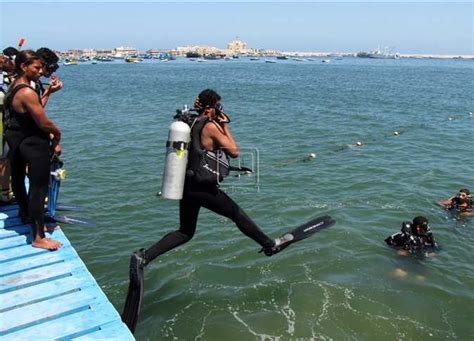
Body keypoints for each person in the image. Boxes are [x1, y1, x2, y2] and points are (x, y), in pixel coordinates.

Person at [122, 89, 293, 332]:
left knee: (185, 231)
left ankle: (144, 257)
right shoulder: (210, 126)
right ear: (212, 107)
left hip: (186, 185)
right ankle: (269, 244)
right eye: (219, 106)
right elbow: (234, 151)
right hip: (203, 187)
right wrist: (224, 126)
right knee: (235, 213)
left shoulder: (189, 121)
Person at [3, 50, 62, 250]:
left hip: (16, 140)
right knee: (39, 187)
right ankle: (38, 236)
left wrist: (47, 93)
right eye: (36, 68)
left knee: (18, 177)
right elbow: (44, 123)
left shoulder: (14, 86)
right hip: (32, 143)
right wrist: (56, 135)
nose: (40, 71)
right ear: (23, 67)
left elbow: (30, 113)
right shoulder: (27, 92)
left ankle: (25, 212)